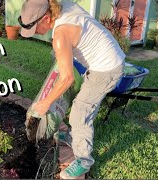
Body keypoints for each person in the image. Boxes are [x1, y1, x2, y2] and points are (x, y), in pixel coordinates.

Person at [19, 0, 125, 179]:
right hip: (106, 58)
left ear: (46, 18)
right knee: (79, 106)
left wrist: (46, 102)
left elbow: (67, 79)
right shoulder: (61, 6)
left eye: (35, 29)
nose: (35, 33)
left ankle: (84, 160)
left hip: (106, 69)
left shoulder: (61, 35)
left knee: (80, 111)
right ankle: (75, 137)